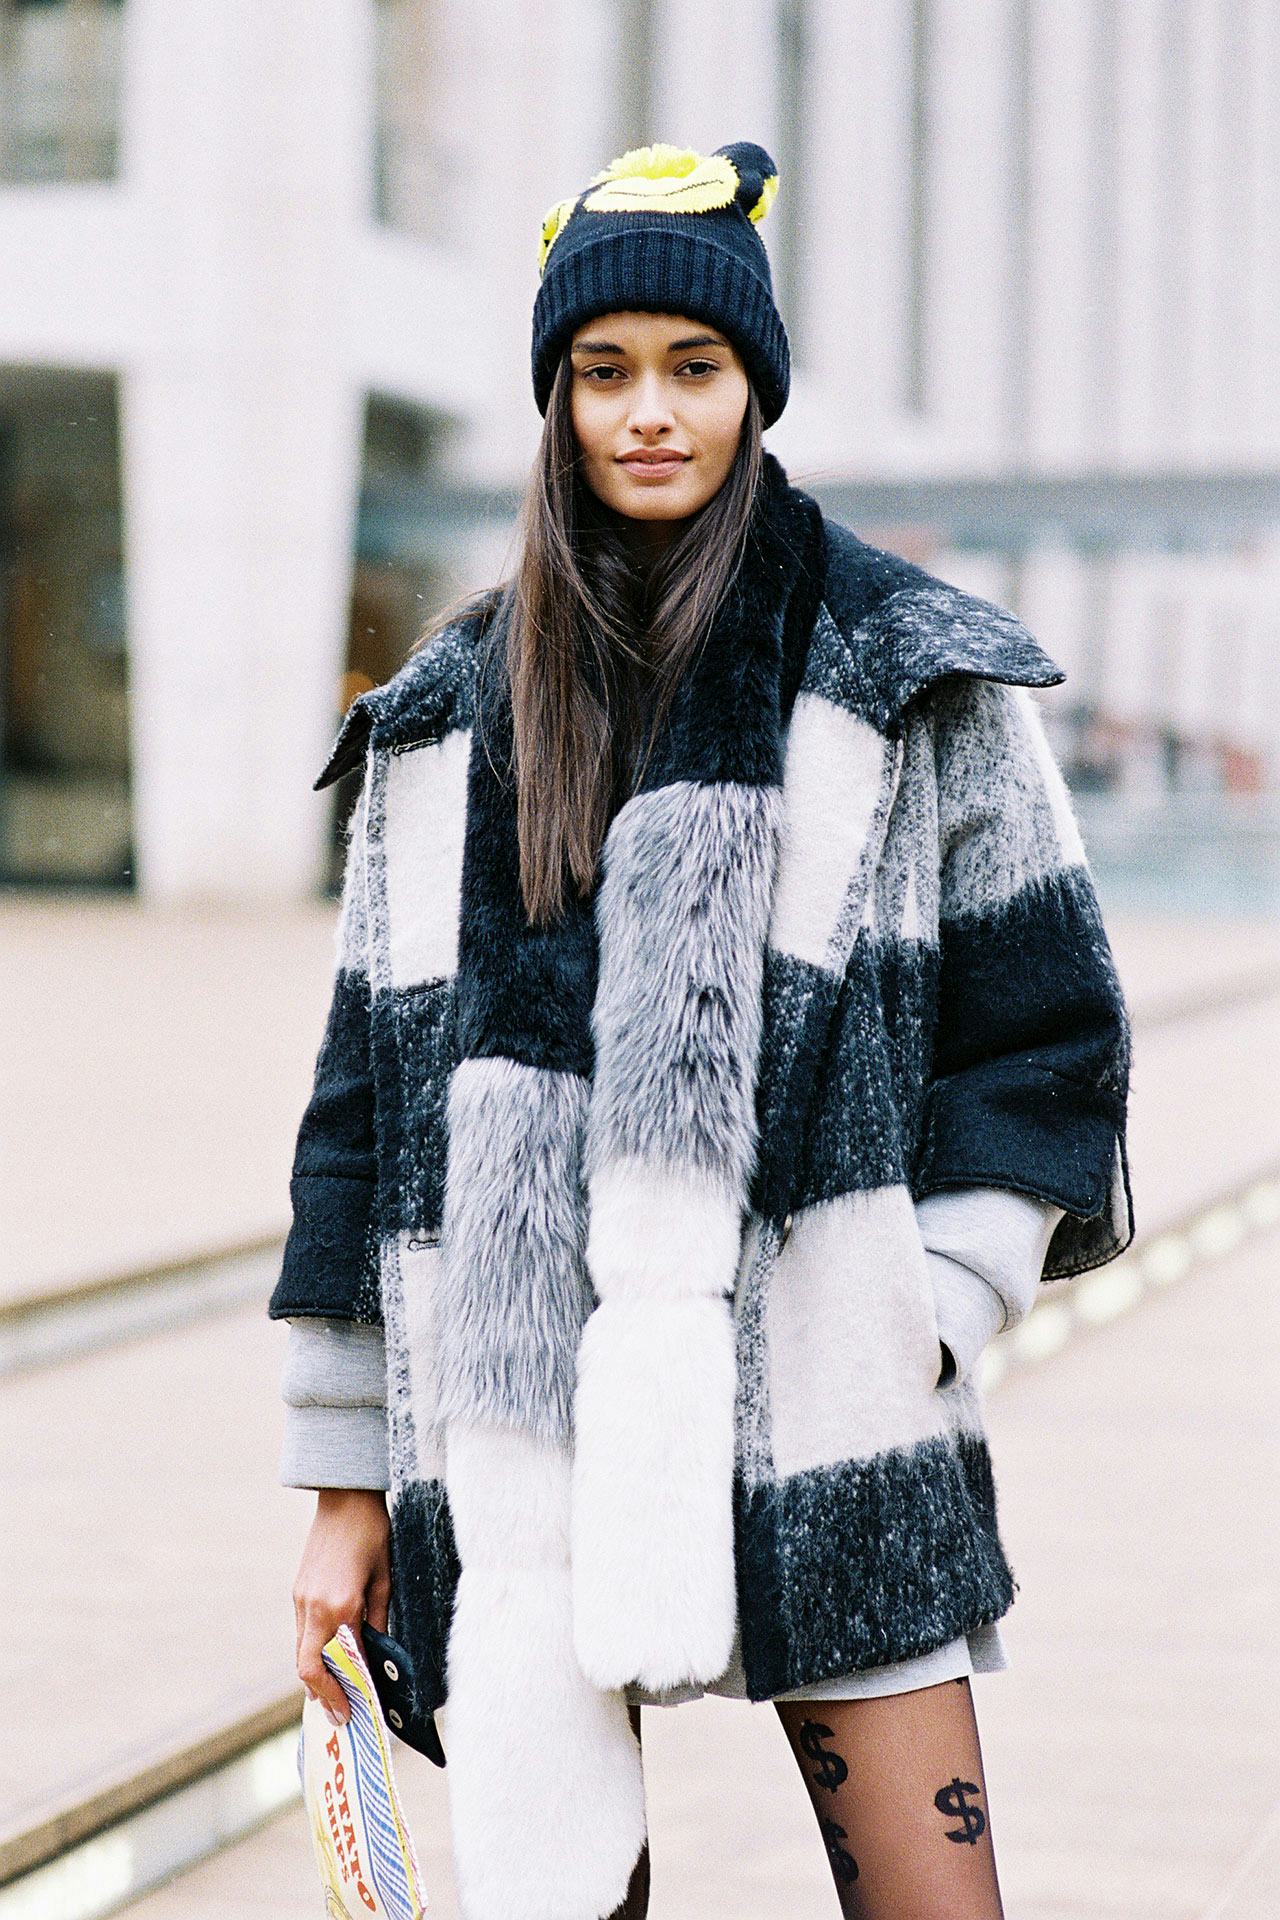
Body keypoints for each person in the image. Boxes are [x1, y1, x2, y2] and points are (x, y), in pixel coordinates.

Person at [270, 141, 1134, 1920]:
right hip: (515, 1435)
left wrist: (938, 1306)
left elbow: (1049, 1032)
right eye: (604, 372)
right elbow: (358, 1108)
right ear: (555, 398)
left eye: (694, 368)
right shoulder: (443, 718)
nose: (649, 414)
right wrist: (345, 1476)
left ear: (755, 385)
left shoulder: (904, 670)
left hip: (826, 1391)